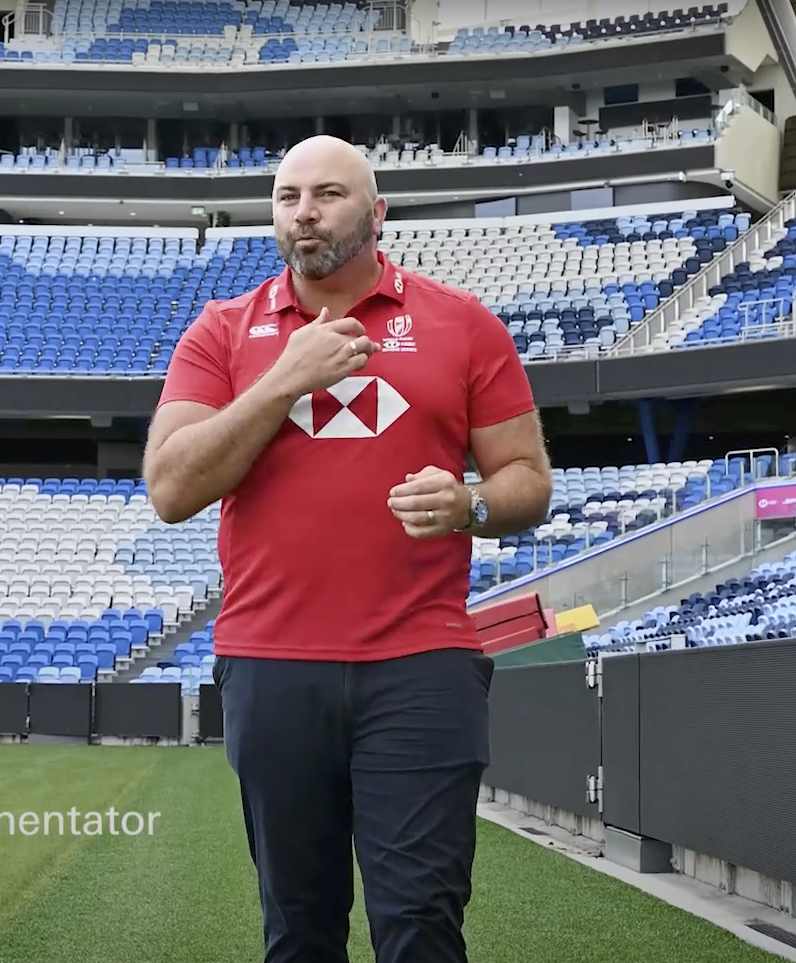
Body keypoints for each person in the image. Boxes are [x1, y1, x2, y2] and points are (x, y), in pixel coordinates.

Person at [141, 135, 554, 963]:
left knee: (422, 924)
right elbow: (171, 489)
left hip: (421, 665)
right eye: (288, 197)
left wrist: (469, 502)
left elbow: (529, 480)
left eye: (327, 194)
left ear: (377, 212)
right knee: (299, 931)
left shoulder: (462, 323)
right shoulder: (221, 332)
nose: (305, 213)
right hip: (271, 664)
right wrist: (283, 379)